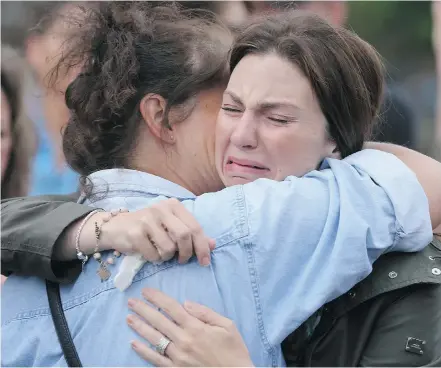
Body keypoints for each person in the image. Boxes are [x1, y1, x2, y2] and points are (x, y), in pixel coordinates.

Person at [1, 3, 440, 367]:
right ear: (161, 116)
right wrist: (338, 150)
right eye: (228, 106)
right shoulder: (245, 224)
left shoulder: (21, 275)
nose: (240, 135)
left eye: (275, 116)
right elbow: (423, 185)